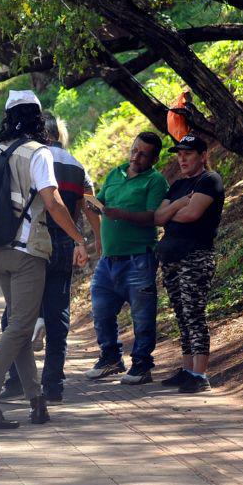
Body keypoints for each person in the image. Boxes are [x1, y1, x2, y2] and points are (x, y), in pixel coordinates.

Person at [0, 91, 90, 429]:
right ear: (37, 117)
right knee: (20, 327)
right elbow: (54, 201)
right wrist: (78, 237)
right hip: (29, 251)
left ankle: (36, 400)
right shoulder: (38, 153)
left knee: (19, 325)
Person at [1, 112, 93, 402]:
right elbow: (89, 204)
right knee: (58, 316)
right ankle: (54, 384)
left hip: (30, 245)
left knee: (15, 317)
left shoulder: (27, 158)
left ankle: (16, 380)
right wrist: (88, 242)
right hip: (64, 245)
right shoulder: (76, 164)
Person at [82, 131, 169, 384]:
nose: (135, 156)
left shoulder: (155, 181)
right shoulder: (116, 173)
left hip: (138, 257)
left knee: (142, 316)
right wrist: (94, 205)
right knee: (100, 310)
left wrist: (120, 213)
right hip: (109, 259)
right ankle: (110, 357)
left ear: (153, 158)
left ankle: (142, 364)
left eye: (143, 154)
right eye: (134, 150)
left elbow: (153, 216)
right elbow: (102, 201)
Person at [154, 134, 225, 393]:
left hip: (196, 255)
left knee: (194, 313)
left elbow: (191, 214)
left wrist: (173, 211)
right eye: (179, 154)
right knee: (181, 314)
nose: (182, 158)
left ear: (203, 155)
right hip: (171, 256)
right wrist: (179, 205)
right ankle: (187, 370)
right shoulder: (177, 187)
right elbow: (158, 217)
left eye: (189, 153)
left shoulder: (210, 180)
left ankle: (200, 374)